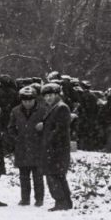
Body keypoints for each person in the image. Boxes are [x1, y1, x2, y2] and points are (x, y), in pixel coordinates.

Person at [37, 83, 73, 211]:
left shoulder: (61, 108)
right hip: (56, 147)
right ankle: (65, 202)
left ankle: (61, 201)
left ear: (57, 95)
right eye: (46, 96)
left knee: (53, 175)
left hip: (56, 148)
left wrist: (48, 140)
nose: (48, 98)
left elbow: (59, 129)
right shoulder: (55, 107)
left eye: (51, 95)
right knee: (58, 175)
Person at [6, 85, 45, 206]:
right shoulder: (15, 111)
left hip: (38, 147)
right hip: (22, 148)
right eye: (25, 101)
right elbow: (10, 127)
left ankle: (39, 199)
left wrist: (42, 131)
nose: (27, 103)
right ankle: (25, 198)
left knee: (38, 176)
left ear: (35, 99)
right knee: (23, 176)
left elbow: (49, 126)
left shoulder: (43, 110)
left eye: (30, 100)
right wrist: (16, 138)